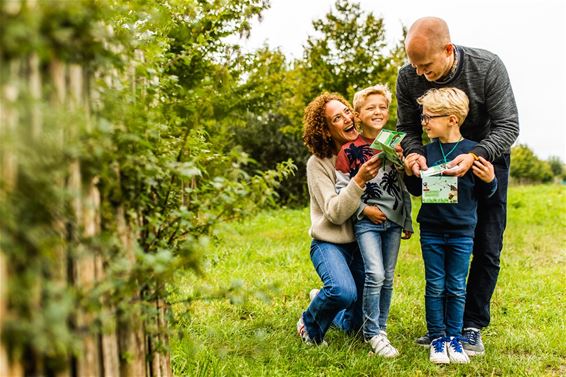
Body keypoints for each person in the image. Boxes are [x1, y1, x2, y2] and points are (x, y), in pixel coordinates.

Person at [396, 16, 519, 356]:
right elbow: (407, 127)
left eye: (426, 66)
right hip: (438, 161)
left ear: (448, 50)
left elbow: (508, 125)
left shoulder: (487, 66)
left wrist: (477, 156)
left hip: (485, 162)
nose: (420, 75)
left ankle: (471, 326)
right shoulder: (408, 76)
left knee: (487, 244)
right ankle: (443, 329)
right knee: (444, 240)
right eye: (414, 66)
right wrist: (415, 154)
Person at [403, 87, 497, 364]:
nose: (424, 122)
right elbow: (417, 190)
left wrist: (491, 180)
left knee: (456, 285)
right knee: (434, 285)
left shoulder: (472, 153)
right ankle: (437, 337)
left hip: (462, 232)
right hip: (431, 231)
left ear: (453, 119)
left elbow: (486, 195)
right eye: (423, 117)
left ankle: (454, 339)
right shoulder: (426, 152)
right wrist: (410, 172)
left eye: (429, 117)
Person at [298, 92, 383, 345]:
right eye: (337, 117)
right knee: (343, 291)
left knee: (355, 326)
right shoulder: (318, 164)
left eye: (347, 111)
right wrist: (358, 180)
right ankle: (309, 324)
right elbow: (334, 213)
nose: (347, 118)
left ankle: (323, 300)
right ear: (325, 130)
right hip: (329, 243)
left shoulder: (365, 152)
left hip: (360, 243)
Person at [334, 85, 413, 357]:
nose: (377, 112)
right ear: (357, 114)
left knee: (388, 278)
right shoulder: (349, 150)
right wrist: (365, 211)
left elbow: (402, 188)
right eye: (370, 108)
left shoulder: (394, 143)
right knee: (375, 274)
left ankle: (381, 329)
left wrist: (407, 220)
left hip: (393, 220)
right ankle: (371, 334)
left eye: (382, 107)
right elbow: (341, 190)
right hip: (367, 220)